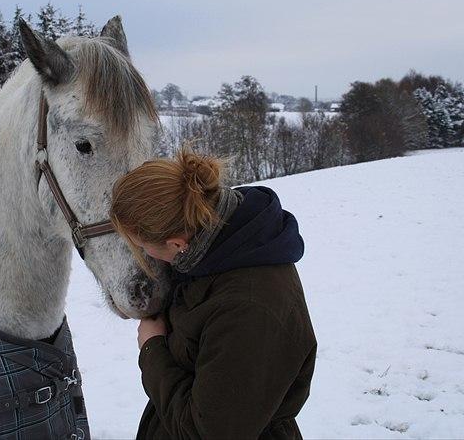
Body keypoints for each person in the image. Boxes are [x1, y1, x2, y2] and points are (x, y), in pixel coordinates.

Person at [109, 148, 317, 440]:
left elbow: (208, 432)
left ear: (177, 244)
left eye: (142, 246)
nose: (144, 255)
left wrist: (152, 347)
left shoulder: (248, 312)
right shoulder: (215, 239)